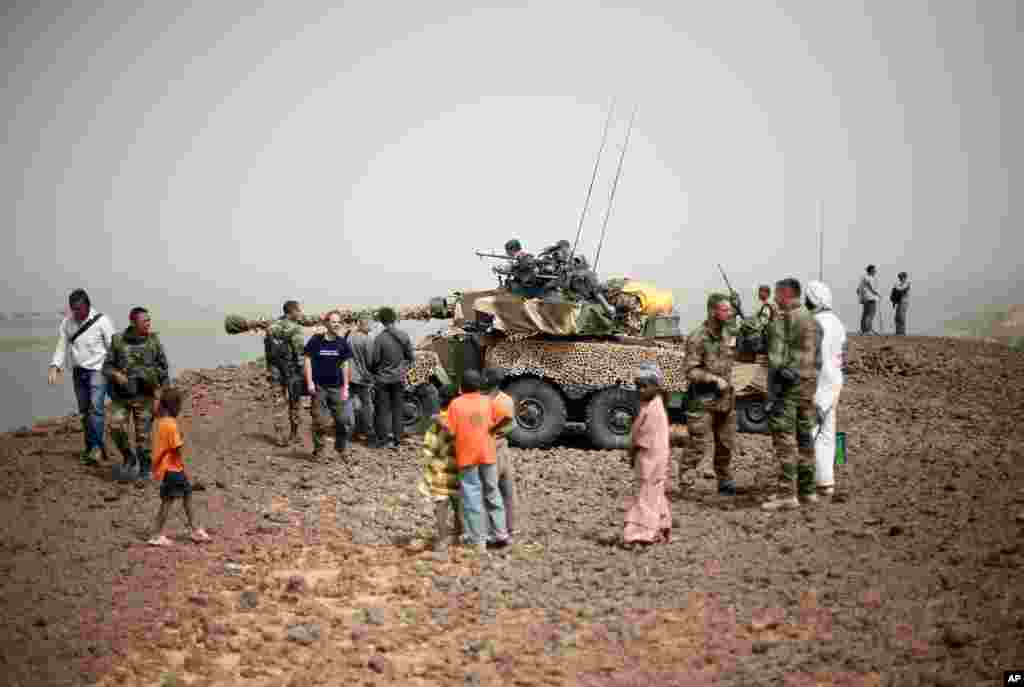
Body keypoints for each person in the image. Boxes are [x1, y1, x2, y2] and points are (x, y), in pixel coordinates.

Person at [762, 278, 821, 511]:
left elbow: (776, 359)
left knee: (784, 440)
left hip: (787, 388)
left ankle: (787, 493)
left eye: (777, 295)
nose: (775, 299)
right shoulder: (810, 317)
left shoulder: (783, 319)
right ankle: (808, 491)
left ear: (786, 294)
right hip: (808, 383)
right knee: (805, 437)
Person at [442, 369, 512, 553]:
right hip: (488, 454)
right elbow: (507, 417)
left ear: (460, 387)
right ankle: (500, 533)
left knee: (472, 495)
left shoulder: (455, 405)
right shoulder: (488, 402)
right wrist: (492, 430)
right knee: (492, 491)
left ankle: (477, 539)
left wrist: (440, 423)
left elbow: (450, 432)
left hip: (467, 456)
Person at [48, 289, 116, 466]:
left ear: (88, 305)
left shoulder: (102, 321)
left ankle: (96, 449)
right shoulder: (67, 323)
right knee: (85, 412)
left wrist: (116, 372)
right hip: (78, 372)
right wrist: (55, 366)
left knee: (96, 409)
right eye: (73, 309)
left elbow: (114, 348)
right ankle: (92, 446)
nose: (76, 313)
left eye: (79, 308)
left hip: (98, 370)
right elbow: (61, 345)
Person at [103, 307, 170, 482]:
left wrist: (160, 399)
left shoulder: (154, 342)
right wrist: (116, 375)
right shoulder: (118, 341)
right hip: (123, 397)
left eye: (149, 320)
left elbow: (164, 371)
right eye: (144, 321)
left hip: (146, 397)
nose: (148, 323)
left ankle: (145, 469)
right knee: (115, 425)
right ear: (133, 323)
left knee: (143, 437)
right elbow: (106, 367)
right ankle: (128, 457)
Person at [682, 293, 738, 496]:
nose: (729, 313)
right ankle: (687, 482)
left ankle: (724, 480)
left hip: (725, 400)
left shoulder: (729, 333)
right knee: (697, 443)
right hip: (702, 400)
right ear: (713, 311)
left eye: (730, 309)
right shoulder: (698, 337)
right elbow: (690, 371)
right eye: (725, 309)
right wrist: (713, 379)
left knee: (726, 443)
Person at [147, 387, 211, 546]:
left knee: (186, 494)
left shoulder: (158, 423)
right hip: (173, 469)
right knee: (168, 501)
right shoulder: (171, 425)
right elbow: (176, 447)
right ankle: (157, 534)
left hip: (165, 468)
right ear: (174, 406)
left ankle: (194, 529)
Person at [622, 362, 673, 547]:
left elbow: (641, 440)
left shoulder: (653, 410)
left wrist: (631, 452)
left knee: (645, 498)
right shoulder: (653, 405)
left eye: (644, 386)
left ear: (656, 386)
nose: (640, 390)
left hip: (650, 462)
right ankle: (661, 527)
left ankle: (639, 535)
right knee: (655, 494)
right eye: (638, 386)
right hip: (656, 462)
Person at [805, 281, 847, 499]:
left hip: (818, 387)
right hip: (835, 386)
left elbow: (813, 360)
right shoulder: (838, 324)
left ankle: (804, 485)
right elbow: (842, 358)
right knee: (827, 437)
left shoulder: (814, 324)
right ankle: (826, 482)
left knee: (807, 435)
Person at [303, 310, 352, 460]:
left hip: (337, 387)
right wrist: (310, 382)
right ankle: (319, 450)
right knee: (319, 420)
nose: (336, 324)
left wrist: (346, 387)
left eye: (338, 322)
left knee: (343, 420)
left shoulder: (342, 343)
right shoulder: (316, 341)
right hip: (319, 387)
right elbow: (307, 360)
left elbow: (345, 365)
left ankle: (341, 448)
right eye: (333, 321)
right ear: (326, 323)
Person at [482, 367, 520, 537]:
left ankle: (492, 530)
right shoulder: (506, 400)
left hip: (490, 449)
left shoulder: (483, 401)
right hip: (504, 447)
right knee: (508, 491)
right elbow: (512, 425)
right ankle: (511, 526)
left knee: (489, 492)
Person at [417, 411, 462, 552]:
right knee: (459, 505)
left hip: (440, 472)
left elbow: (428, 451)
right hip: (459, 470)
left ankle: (442, 539)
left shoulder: (435, 428)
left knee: (441, 505)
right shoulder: (462, 423)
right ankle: (458, 536)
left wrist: (429, 465)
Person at [371, 307, 415, 448]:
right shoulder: (404, 336)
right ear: (394, 319)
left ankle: (383, 439)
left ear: (382, 321)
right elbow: (411, 357)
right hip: (399, 379)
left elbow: (375, 360)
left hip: (383, 380)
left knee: (383, 410)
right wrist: (402, 368)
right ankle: (398, 439)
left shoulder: (379, 339)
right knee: (398, 408)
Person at [264, 300, 306, 446]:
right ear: (292, 312)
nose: (300, 313)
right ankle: (294, 434)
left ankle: (279, 435)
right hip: (292, 371)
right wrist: (303, 371)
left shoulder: (271, 327)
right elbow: (300, 353)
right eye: (298, 310)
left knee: (278, 403)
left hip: (275, 370)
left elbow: (268, 350)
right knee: (295, 403)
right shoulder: (295, 328)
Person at [347, 315, 378, 445]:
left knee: (350, 404)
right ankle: (369, 433)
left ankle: (350, 433)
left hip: (349, 376)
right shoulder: (367, 340)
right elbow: (371, 361)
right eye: (370, 324)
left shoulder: (350, 337)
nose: (371, 327)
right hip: (363, 377)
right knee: (367, 405)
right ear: (364, 325)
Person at [857, 265, 880, 335]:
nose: (875, 271)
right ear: (871, 270)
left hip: (865, 298)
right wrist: (877, 294)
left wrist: (862, 297)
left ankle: (863, 330)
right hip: (870, 298)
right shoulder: (869, 278)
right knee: (870, 314)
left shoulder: (863, 278)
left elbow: (858, 290)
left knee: (865, 314)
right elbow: (871, 287)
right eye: (874, 270)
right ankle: (868, 330)